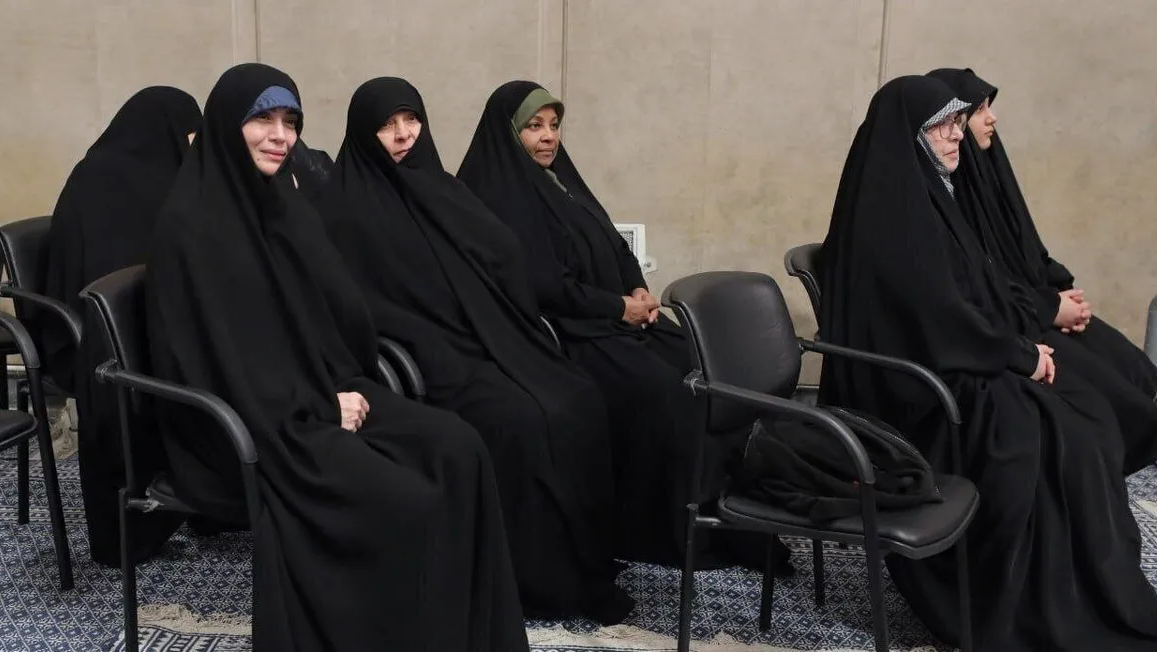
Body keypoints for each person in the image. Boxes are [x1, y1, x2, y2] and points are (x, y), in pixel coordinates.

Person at [146, 63, 529, 652]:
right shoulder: (192, 226)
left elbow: (325, 314)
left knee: (460, 448)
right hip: (251, 420)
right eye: (263, 120)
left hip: (315, 389)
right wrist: (322, 406)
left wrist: (333, 390)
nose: (281, 136)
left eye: (291, 121)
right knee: (405, 500)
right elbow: (217, 359)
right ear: (226, 125)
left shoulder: (278, 202)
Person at [816, 74, 1157, 651]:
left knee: (1082, 421)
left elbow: (969, 298)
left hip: (950, 366)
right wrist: (1018, 355)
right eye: (941, 126)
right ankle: (1012, 608)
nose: (956, 135)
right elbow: (933, 316)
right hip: (918, 394)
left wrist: (1018, 345)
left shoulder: (931, 198)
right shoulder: (892, 213)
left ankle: (1082, 597)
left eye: (957, 122)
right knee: (1050, 437)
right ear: (908, 136)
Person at [317, 76, 631, 623]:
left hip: (488, 335)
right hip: (422, 355)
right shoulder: (341, 207)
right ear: (364, 132)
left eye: (411, 120)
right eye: (388, 125)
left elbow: (501, 255)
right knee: (520, 420)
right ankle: (527, 578)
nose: (404, 135)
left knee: (577, 397)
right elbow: (353, 304)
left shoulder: (441, 188)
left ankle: (581, 561)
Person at [457, 81, 767, 570]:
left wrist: (638, 290)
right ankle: (660, 530)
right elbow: (545, 285)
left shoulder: (562, 181)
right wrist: (617, 309)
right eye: (534, 127)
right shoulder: (497, 195)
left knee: (703, 366)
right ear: (509, 133)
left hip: (614, 319)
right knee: (667, 391)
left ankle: (727, 514)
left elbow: (615, 245)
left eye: (554, 125)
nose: (548, 137)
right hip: (568, 334)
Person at [926, 67, 1157, 475]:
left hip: (1015, 315)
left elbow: (1020, 254)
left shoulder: (975, 179)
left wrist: (1056, 295)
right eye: (976, 111)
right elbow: (965, 292)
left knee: (1131, 367)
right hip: (1003, 326)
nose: (989, 120)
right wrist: (1046, 309)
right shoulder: (939, 198)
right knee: (1097, 407)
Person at [43, 86, 201, 567]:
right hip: (100, 343)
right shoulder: (103, 181)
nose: (195, 146)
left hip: (134, 331)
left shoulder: (159, 177)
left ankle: (201, 496)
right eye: (190, 135)